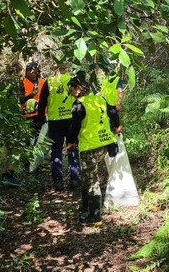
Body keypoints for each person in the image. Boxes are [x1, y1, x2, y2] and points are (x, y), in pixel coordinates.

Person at [67, 72, 123, 226]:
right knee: (88, 176)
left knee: (91, 180)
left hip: (90, 147)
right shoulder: (100, 99)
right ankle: (85, 206)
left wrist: (71, 142)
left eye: (71, 91)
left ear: (78, 88)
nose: (70, 95)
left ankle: (95, 216)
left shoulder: (79, 104)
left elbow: (74, 126)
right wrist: (117, 126)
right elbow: (113, 112)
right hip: (105, 144)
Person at [37, 63, 81, 191]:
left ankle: (58, 181)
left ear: (55, 69)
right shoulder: (72, 80)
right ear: (66, 69)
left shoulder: (49, 82)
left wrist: (40, 120)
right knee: (72, 146)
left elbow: (42, 102)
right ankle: (74, 178)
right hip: (71, 119)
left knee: (56, 150)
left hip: (55, 120)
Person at [0, 62, 25, 186]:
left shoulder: (4, 82)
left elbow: (20, 99)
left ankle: (8, 175)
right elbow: (11, 101)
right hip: (11, 118)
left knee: (13, 147)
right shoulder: (10, 83)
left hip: (9, 117)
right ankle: (6, 175)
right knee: (11, 148)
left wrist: (31, 95)